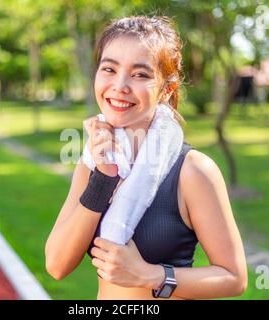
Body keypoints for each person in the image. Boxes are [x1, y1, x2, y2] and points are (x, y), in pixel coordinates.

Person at [45, 15, 247, 300]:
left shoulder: (193, 170)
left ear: (167, 89)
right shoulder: (94, 161)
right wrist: (102, 180)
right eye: (109, 69)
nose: (120, 85)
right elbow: (56, 265)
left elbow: (233, 278)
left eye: (140, 74)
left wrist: (150, 275)